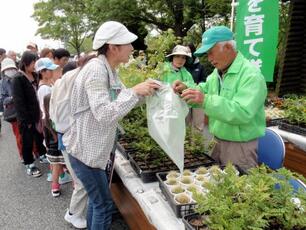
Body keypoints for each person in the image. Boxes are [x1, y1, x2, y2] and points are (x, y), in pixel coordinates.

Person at [63, 21, 160, 229]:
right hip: (85, 153)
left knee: (97, 202)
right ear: (113, 47)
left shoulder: (109, 70)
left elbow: (125, 100)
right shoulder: (97, 71)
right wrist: (135, 91)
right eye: (128, 44)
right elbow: (105, 114)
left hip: (92, 151)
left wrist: (149, 89)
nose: (132, 49)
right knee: (104, 206)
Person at [173, 26, 267, 171]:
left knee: (238, 191)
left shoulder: (251, 76)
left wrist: (205, 100)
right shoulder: (218, 73)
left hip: (239, 146)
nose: (209, 59)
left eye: (211, 52)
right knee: (216, 186)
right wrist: (186, 89)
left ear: (228, 47)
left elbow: (242, 112)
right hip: (217, 140)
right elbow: (204, 89)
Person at [12, 51, 48, 177]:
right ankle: (29, 164)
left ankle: (42, 154)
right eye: (33, 62)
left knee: (39, 136)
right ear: (25, 63)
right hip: (26, 116)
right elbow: (18, 102)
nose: (35, 65)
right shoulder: (18, 78)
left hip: (37, 112)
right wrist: (25, 120)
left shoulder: (36, 75)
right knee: (27, 140)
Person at [0, 58, 22, 159]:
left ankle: (35, 152)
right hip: (13, 112)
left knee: (31, 134)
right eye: (7, 69)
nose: (10, 70)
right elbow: (3, 99)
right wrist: (12, 98)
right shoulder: (3, 83)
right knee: (19, 135)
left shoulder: (20, 77)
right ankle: (23, 156)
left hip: (24, 110)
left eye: (11, 68)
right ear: (4, 71)